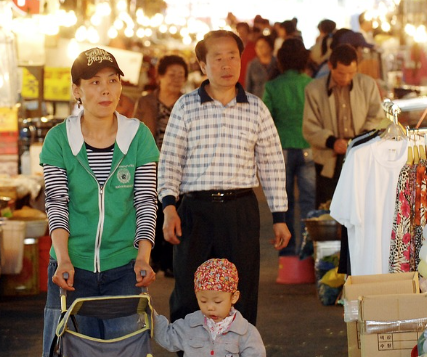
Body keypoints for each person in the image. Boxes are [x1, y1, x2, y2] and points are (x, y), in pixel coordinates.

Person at [33, 47, 160, 357]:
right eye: (94, 82)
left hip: (124, 270)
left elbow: (146, 201)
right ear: (77, 90)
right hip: (71, 273)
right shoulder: (58, 140)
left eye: (112, 80)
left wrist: (144, 255)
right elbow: (57, 204)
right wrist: (64, 258)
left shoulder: (139, 137)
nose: (106, 90)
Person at [158, 30, 290, 327]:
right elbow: (170, 160)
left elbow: (271, 163)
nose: (226, 64)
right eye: (217, 58)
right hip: (195, 210)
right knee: (189, 290)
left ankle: (237, 352)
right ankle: (191, 353)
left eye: (232, 56)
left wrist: (279, 216)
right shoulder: (186, 106)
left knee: (240, 289)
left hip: (240, 210)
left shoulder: (255, 108)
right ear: (202, 65)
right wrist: (168, 207)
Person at [303, 44, 385, 207]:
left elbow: (377, 118)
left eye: (351, 73)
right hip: (328, 160)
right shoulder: (314, 89)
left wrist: (358, 141)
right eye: (341, 73)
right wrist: (333, 142)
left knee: (362, 207)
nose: (346, 78)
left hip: (362, 158)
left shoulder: (368, 85)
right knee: (329, 209)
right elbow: (310, 127)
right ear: (330, 66)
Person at [134, 54, 187, 276]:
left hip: (180, 167)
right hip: (150, 164)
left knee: (175, 210)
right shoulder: (146, 102)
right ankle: (152, 257)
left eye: (181, 75)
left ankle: (171, 261)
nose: (176, 79)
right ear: (160, 77)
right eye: (172, 74)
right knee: (151, 210)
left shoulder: (188, 103)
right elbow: (135, 133)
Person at [262, 37, 315, 257]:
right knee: (308, 202)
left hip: (280, 149)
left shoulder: (272, 86)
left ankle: (288, 250)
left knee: (284, 203)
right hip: (308, 147)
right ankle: (308, 250)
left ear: (281, 60)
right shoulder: (311, 84)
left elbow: (265, 119)